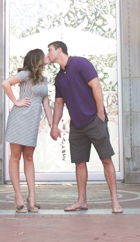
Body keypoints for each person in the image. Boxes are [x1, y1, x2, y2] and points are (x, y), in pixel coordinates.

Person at [47, 41, 122, 214]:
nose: (47, 54)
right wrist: (54, 125)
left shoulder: (80, 63)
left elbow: (96, 85)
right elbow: (59, 104)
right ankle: (81, 201)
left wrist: (100, 113)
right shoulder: (59, 78)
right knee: (79, 162)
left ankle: (115, 202)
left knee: (106, 159)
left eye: (49, 50)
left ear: (59, 50)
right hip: (77, 126)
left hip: (94, 120)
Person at [1, 48, 51, 213]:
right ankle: (18, 197)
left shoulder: (44, 79)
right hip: (19, 118)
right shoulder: (26, 74)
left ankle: (32, 198)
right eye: (44, 55)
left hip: (32, 121)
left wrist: (53, 125)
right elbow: (5, 83)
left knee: (28, 157)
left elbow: (46, 104)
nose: (46, 56)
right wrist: (16, 101)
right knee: (15, 157)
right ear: (37, 59)